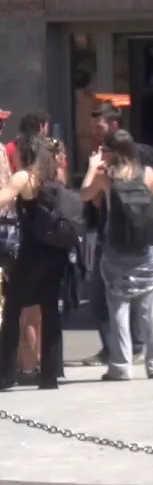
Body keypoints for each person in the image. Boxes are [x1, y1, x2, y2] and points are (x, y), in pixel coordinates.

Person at [79, 130, 153, 381]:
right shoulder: (148, 173)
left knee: (118, 308)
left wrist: (92, 167)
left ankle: (120, 365)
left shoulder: (106, 176)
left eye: (104, 150)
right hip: (145, 251)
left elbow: (84, 194)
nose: (101, 154)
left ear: (113, 152)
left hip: (116, 250)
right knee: (150, 309)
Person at [0, 137, 73, 391]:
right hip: (56, 252)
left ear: (24, 153)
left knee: (12, 310)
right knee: (50, 311)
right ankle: (50, 376)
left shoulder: (24, 177)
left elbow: (2, 199)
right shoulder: (54, 177)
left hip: (31, 253)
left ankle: (5, 375)